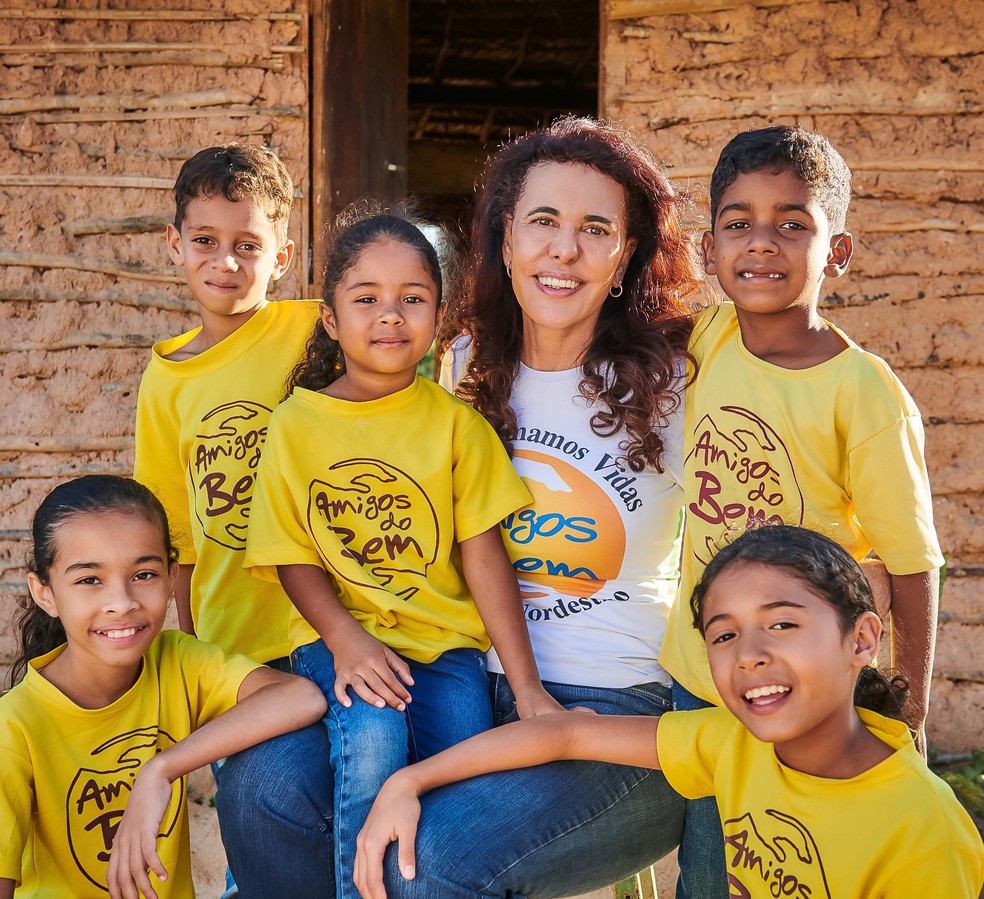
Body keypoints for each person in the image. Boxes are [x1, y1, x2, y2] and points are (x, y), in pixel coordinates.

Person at [356, 116, 704, 897]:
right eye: (543, 221)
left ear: (625, 256)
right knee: (300, 795)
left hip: (622, 713)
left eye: (595, 229)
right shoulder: (461, 366)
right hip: (474, 693)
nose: (564, 250)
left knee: (426, 866)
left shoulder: (677, 381)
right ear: (505, 239)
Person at [354, 525, 984, 899]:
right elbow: (569, 732)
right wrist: (409, 781)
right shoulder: (735, 744)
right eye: (725, 635)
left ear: (862, 640)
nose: (752, 657)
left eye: (783, 624)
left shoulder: (921, 829)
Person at [658, 125, 945, 896]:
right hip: (700, 670)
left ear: (838, 252)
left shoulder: (863, 391)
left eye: (793, 223)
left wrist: (908, 713)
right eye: (738, 223)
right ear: (711, 245)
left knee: (775, 870)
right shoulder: (707, 339)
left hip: (795, 689)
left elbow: (914, 564)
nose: (762, 243)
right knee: (706, 871)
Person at [243, 206, 559, 899]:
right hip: (339, 639)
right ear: (330, 318)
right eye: (367, 299)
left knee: (461, 782)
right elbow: (291, 554)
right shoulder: (296, 423)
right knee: (376, 735)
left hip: (445, 652)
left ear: (438, 316)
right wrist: (347, 640)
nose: (391, 315)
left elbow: (484, 559)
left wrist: (527, 684)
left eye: (412, 299)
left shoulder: (456, 427)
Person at [132, 143, 334, 895]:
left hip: (326, 626)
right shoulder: (166, 379)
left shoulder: (314, 327)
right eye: (207, 242)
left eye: (248, 245)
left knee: (335, 804)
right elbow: (175, 536)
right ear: (174, 244)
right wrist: (188, 647)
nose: (226, 262)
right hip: (234, 647)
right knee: (253, 810)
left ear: (280, 256)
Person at [0, 475, 327, 899]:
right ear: (44, 592)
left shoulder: (177, 662)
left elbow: (300, 697)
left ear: (172, 577)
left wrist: (161, 769)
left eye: (144, 574)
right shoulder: (15, 725)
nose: (122, 602)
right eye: (89, 580)